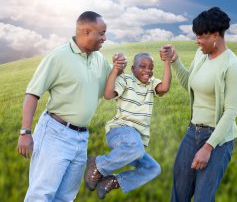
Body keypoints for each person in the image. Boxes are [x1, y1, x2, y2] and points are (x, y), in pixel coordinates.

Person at [17, 11, 127, 201]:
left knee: (65, 197)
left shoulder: (98, 59)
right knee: (41, 195)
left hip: (81, 138)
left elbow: (109, 92)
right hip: (55, 134)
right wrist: (25, 132)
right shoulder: (59, 56)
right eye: (101, 33)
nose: (104, 38)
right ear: (86, 32)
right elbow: (32, 94)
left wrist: (118, 68)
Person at [160, 7, 237, 202]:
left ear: (216, 35)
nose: (197, 41)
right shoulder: (201, 55)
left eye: (201, 37)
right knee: (179, 195)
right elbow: (190, 83)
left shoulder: (231, 65)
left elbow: (231, 112)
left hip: (218, 139)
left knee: (203, 199)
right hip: (192, 133)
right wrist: (175, 61)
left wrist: (208, 147)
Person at [84, 52, 172, 199]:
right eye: (142, 66)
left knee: (153, 168)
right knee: (136, 147)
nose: (147, 71)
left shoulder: (152, 83)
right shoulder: (126, 80)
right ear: (132, 68)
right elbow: (108, 94)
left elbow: (164, 88)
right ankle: (97, 164)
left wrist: (167, 62)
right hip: (120, 130)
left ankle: (112, 181)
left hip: (135, 141)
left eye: (151, 67)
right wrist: (116, 70)